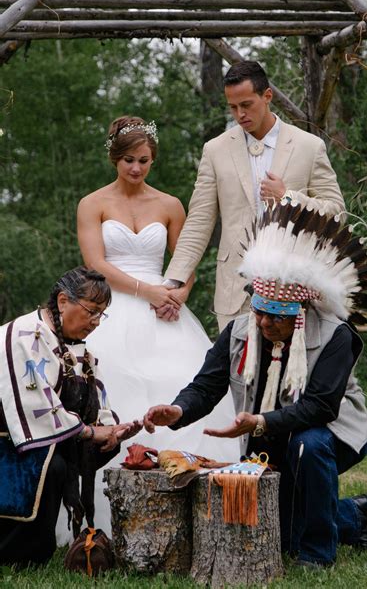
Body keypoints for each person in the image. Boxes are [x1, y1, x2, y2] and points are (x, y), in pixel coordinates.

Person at [145, 202, 367, 570]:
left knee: (308, 445)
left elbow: (320, 407)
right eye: (259, 312)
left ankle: (316, 555)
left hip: (333, 433)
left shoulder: (336, 336)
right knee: (280, 526)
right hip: (267, 433)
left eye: (277, 317)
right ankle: (353, 515)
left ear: (300, 315)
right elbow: (207, 386)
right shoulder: (240, 330)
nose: (265, 324)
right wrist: (179, 410)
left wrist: (260, 423)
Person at [77, 116, 240, 530]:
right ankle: (111, 515)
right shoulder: (93, 204)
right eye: (128, 160)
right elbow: (95, 263)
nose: (136, 168)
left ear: (153, 160)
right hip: (115, 303)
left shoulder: (169, 205)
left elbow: (186, 258)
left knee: (181, 381)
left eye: (144, 160)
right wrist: (146, 291)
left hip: (166, 307)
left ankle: (199, 509)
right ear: (115, 158)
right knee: (117, 385)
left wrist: (178, 294)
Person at [164, 60, 345, 331]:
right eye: (233, 107)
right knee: (238, 371)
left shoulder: (309, 146)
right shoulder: (215, 150)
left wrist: (289, 197)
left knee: (291, 372)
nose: (239, 114)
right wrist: (172, 281)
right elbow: (199, 222)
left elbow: (337, 213)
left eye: (246, 105)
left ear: (267, 96)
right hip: (235, 289)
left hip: (295, 287)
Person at [0, 267, 141, 566]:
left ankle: (47, 543)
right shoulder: (25, 335)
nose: (95, 322)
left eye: (102, 314)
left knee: (99, 447)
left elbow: (95, 391)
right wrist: (90, 432)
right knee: (53, 464)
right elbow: (35, 405)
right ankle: (21, 554)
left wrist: (110, 428)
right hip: (10, 434)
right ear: (63, 301)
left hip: (41, 431)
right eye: (91, 311)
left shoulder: (74, 345)